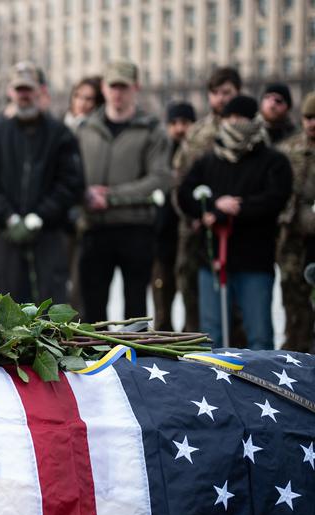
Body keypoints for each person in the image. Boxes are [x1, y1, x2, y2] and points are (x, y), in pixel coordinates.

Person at [177, 95, 291, 350]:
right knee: (211, 334)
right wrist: (212, 206)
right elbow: (186, 194)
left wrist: (239, 207)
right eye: (228, 118)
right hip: (213, 261)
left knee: (259, 334)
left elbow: (275, 198)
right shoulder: (209, 161)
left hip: (254, 261)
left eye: (239, 118)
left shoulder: (272, 161)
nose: (233, 124)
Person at [0, 61, 85, 304]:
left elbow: (71, 182)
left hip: (49, 238)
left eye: (29, 89)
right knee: (1, 306)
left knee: (50, 308)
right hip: (4, 238)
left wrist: (40, 216)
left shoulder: (59, 134)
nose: (24, 95)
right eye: (19, 89)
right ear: (10, 91)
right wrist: (7, 216)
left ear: (41, 90)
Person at [75, 59, 169, 323]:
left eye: (124, 87)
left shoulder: (151, 130)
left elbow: (160, 178)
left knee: (136, 310)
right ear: (104, 88)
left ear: (135, 88)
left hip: (135, 228)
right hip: (94, 228)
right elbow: (71, 174)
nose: (118, 93)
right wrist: (84, 195)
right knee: (92, 311)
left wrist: (112, 197)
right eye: (113, 86)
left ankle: (134, 352)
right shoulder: (85, 129)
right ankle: (95, 350)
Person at [173, 66, 242, 332]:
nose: (221, 98)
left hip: (238, 230)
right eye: (215, 93)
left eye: (227, 92)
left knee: (238, 310)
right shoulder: (197, 133)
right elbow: (179, 182)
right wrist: (193, 215)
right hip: (197, 228)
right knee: (193, 301)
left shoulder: (250, 129)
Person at [276, 92, 315, 352]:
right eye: (308, 117)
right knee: (293, 303)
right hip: (292, 240)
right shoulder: (287, 150)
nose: (312, 123)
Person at [152, 101, 196, 331]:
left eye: (185, 122)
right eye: (174, 123)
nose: (180, 128)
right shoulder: (159, 153)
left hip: (191, 239)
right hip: (162, 239)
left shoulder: (197, 154)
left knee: (192, 306)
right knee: (162, 306)